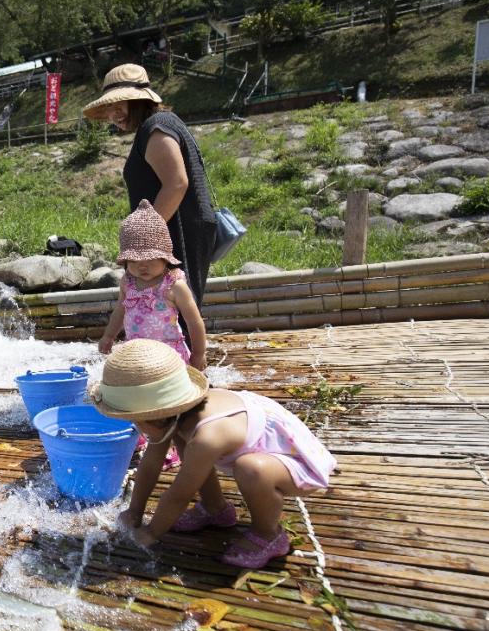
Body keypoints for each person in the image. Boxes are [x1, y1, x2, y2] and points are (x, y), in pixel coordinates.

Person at [91, 340, 336, 569]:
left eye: (133, 421)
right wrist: (134, 511)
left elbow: (179, 495)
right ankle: (215, 508)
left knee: (251, 469)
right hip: (268, 453)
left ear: (153, 416)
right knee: (186, 443)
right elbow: (150, 464)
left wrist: (151, 532)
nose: (135, 428)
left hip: (296, 464)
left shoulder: (208, 436)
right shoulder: (174, 418)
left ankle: (269, 535)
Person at [82, 64, 217, 307]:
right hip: (176, 227)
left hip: (177, 230)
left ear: (139, 101)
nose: (114, 115)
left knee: (174, 308)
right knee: (170, 308)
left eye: (119, 105)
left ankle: (180, 346)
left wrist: (145, 238)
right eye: (109, 109)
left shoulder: (156, 127)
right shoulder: (158, 125)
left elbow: (176, 184)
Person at [97, 199, 206, 370]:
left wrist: (199, 353)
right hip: (137, 355)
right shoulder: (128, 282)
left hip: (169, 355)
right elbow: (120, 310)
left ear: (165, 258)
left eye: (150, 259)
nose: (142, 265)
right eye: (133, 260)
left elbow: (194, 322)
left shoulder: (173, 285)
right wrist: (109, 336)